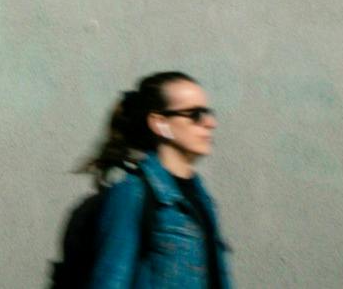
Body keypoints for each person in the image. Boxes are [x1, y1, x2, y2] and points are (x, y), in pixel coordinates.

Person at [62, 70, 233, 289]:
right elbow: (110, 281)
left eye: (208, 113)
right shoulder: (133, 193)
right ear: (160, 123)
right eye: (195, 115)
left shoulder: (201, 199)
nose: (210, 123)